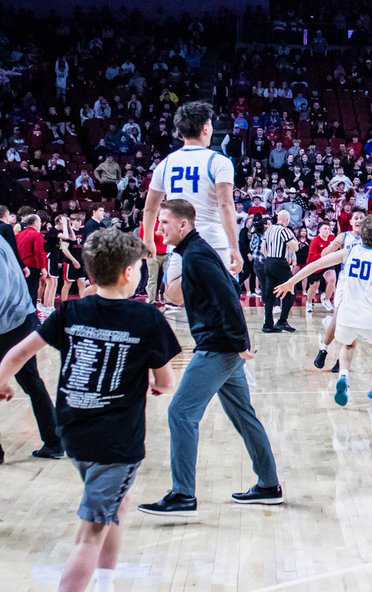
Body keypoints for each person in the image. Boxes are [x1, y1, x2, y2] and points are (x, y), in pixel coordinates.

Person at [0, 229, 180, 592]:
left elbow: (18, 353)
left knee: (115, 505)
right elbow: (167, 382)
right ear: (130, 273)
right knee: (88, 534)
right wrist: (156, 383)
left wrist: (2, 382)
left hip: (74, 432)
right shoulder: (147, 319)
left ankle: (107, 582)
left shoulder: (70, 311)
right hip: (116, 442)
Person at [138, 199, 282, 517]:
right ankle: (269, 485)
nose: (159, 228)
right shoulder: (195, 252)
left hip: (217, 348)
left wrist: (240, 341)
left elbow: (229, 297)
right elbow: (230, 284)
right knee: (244, 416)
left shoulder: (197, 256)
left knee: (180, 413)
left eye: (163, 222)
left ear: (182, 225)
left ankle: (183, 495)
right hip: (224, 347)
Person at [275, 215, 372, 404]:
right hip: (368, 318)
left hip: (345, 316)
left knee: (348, 345)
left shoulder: (348, 252)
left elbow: (315, 264)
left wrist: (291, 282)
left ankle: (343, 376)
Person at [142, 102, 243, 296]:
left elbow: (150, 208)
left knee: (173, 294)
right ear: (206, 128)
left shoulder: (165, 163)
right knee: (222, 297)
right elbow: (225, 205)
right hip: (214, 240)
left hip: (181, 240)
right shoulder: (219, 161)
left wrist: (148, 239)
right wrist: (235, 247)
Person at [0, 235, 62, 462]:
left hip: (11, 324)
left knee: (30, 381)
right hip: (19, 318)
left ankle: (55, 441)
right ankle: (54, 442)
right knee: (32, 382)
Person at [312, 208, 366, 372]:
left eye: (361, 218)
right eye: (355, 217)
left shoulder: (370, 238)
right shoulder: (344, 237)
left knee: (353, 324)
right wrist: (334, 245)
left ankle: (341, 359)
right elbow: (324, 254)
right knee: (337, 319)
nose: (358, 220)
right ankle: (323, 349)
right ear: (350, 222)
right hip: (345, 282)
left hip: (363, 285)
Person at [259, 210, 299, 334]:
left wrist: (270, 258)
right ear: (287, 219)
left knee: (270, 294)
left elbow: (262, 248)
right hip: (279, 263)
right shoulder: (284, 230)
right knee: (291, 291)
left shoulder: (269, 229)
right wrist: (293, 236)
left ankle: (268, 324)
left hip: (268, 262)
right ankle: (282, 320)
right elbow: (295, 247)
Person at [16, 213, 48, 311]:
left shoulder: (19, 235)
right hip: (32, 267)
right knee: (32, 292)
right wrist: (43, 267)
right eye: (39, 221)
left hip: (20, 266)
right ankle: (31, 318)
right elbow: (39, 252)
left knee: (22, 292)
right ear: (35, 223)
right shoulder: (37, 235)